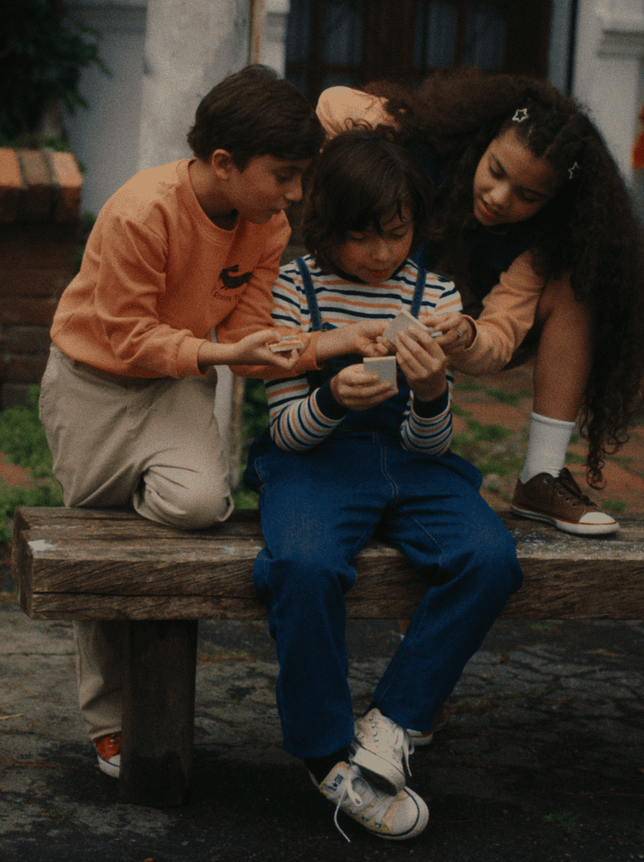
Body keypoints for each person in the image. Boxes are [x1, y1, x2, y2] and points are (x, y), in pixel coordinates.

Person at [39, 64, 387, 779]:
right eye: (283, 176)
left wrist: (335, 344)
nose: (294, 195)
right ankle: (108, 719)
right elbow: (130, 337)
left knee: (198, 504)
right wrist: (225, 350)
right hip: (93, 386)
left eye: (300, 178)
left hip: (179, 387)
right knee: (103, 545)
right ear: (223, 163)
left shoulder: (264, 224)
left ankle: (152, 489)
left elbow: (259, 342)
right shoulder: (142, 212)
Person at [245, 128, 523, 841]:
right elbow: (286, 432)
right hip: (316, 462)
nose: (380, 255)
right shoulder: (296, 288)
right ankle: (321, 750)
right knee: (302, 565)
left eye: (395, 234)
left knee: (489, 558)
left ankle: (393, 721)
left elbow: (431, 444)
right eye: (362, 238)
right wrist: (333, 399)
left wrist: (431, 392)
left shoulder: (433, 293)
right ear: (327, 225)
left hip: (411, 462)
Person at [317, 69, 644, 536]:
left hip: (449, 323)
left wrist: (467, 336)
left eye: (528, 195)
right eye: (496, 171)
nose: (499, 198)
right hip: (358, 304)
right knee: (359, 429)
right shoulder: (427, 146)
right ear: (484, 139)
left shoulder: (541, 246)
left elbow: (498, 341)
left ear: (552, 201)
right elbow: (332, 100)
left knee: (577, 284)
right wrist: (388, 134)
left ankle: (542, 475)